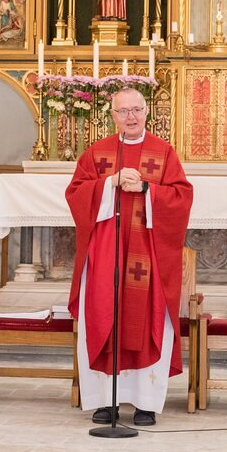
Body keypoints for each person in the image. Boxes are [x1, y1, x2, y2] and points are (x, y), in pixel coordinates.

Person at [66, 88, 193, 427]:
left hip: (148, 256)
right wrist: (110, 183)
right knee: (103, 314)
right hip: (106, 254)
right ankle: (105, 401)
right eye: (123, 111)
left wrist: (148, 189)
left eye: (136, 110)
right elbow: (76, 194)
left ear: (147, 112)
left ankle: (145, 403)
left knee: (147, 319)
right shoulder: (97, 153)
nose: (131, 117)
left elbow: (182, 197)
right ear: (113, 116)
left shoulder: (164, 153)